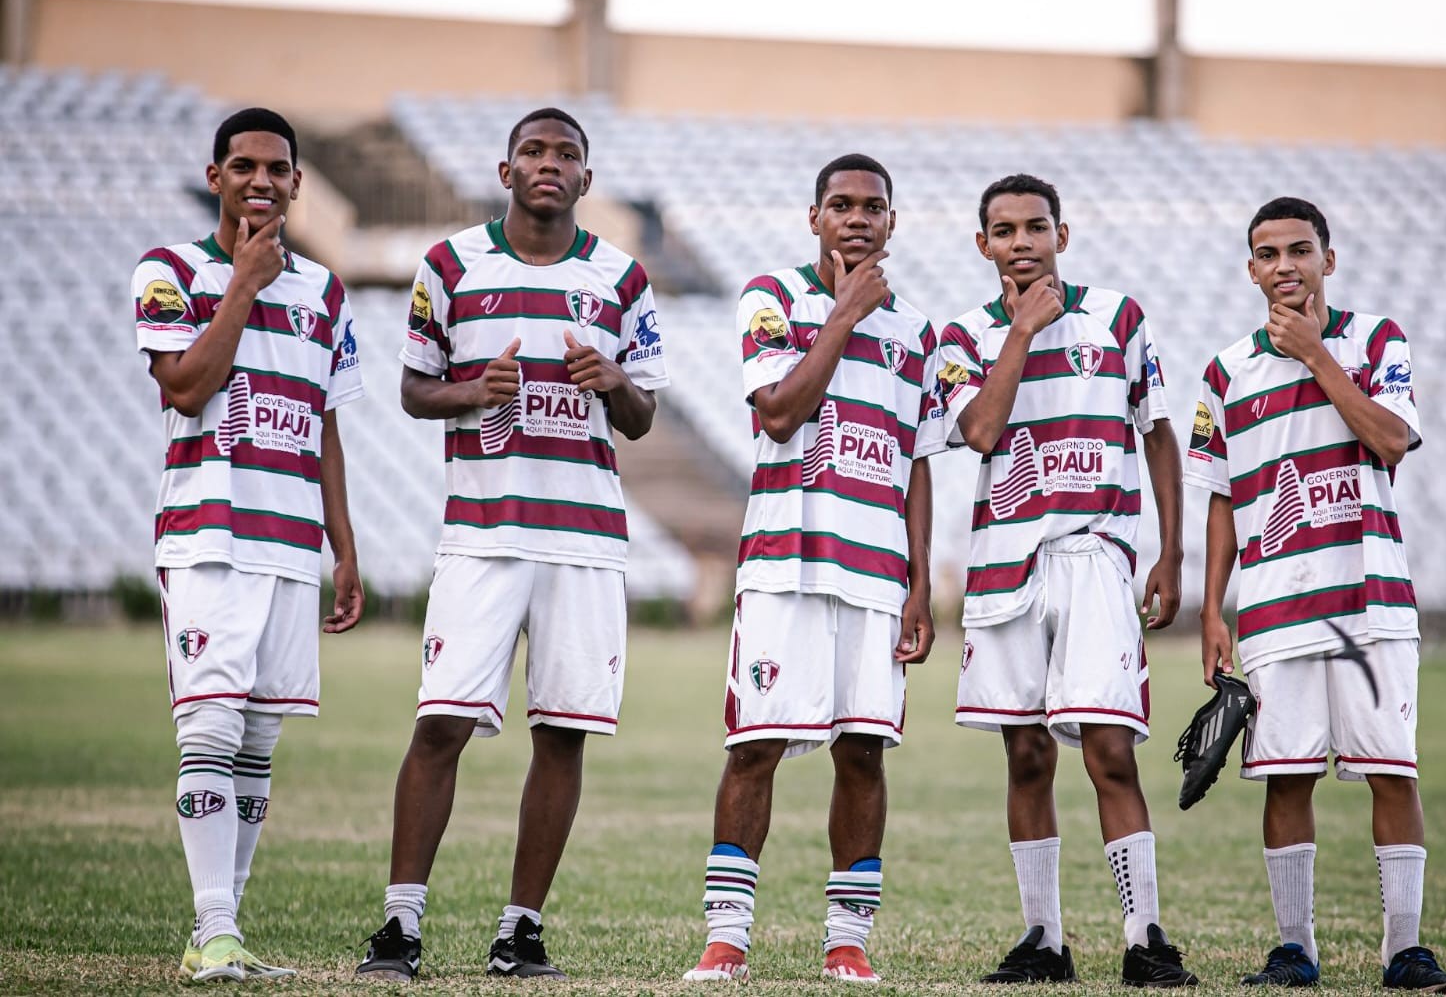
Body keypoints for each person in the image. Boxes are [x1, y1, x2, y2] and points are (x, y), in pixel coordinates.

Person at [354, 107, 668, 981]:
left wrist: (612, 383)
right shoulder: (450, 264)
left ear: (586, 180)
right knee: (442, 722)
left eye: (566, 154)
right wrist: (469, 391)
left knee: (561, 734)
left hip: (585, 542)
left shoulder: (622, 279)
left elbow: (643, 418)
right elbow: (414, 391)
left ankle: (520, 929)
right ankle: (401, 926)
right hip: (483, 536)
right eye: (534, 150)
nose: (549, 164)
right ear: (505, 169)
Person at [1185, 197, 1446, 992]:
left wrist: (1315, 355)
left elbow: (1388, 439)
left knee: (1392, 771)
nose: (1285, 266)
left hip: (1372, 601)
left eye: (1299, 250)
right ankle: (1293, 950)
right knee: (1287, 776)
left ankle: (1404, 952)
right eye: (1268, 253)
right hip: (1275, 607)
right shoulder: (1224, 371)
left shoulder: (1377, 340)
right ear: (1250, 269)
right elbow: (1217, 497)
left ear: (1327, 260)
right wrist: (1213, 609)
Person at [682, 154, 941, 985]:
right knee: (753, 747)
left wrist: (922, 585)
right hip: (784, 567)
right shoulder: (771, 297)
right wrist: (846, 311)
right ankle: (727, 938)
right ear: (814, 217)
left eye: (873, 207)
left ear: (892, 222)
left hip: (875, 578)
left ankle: (846, 940)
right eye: (841, 205)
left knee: (864, 753)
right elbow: (783, 411)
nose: (858, 218)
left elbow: (918, 464)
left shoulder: (918, 333)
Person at [937, 174, 1197, 987]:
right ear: (982, 244)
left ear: (1063, 234)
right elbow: (979, 431)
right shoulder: (961, 336)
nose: (1022, 242)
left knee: (1110, 751)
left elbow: (1157, 433)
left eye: (1036, 227)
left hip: (1094, 557)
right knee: (1025, 755)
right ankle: (1043, 939)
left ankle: (1144, 936)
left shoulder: (1118, 316)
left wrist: (1171, 551)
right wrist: (1021, 331)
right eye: (1005, 230)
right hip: (1004, 564)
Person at [131, 107, 365, 982]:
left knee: (260, 739)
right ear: (215, 176)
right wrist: (242, 286)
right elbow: (187, 388)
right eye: (244, 166)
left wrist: (344, 548)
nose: (261, 181)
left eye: (277, 169)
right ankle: (215, 926)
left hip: (289, 546)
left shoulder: (327, 292)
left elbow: (325, 429)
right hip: (206, 538)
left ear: (299, 183)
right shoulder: (170, 272)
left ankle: (219, 932)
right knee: (211, 726)